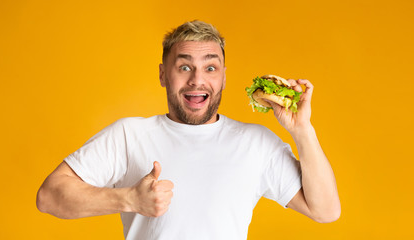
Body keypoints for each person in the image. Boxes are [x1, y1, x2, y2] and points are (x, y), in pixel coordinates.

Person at [36, 20, 340, 240]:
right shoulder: (129, 135)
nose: (197, 80)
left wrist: (302, 131)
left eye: (210, 67)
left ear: (223, 77)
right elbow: (49, 197)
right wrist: (129, 199)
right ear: (162, 74)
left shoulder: (255, 143)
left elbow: (325, 210)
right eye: (184, 67)